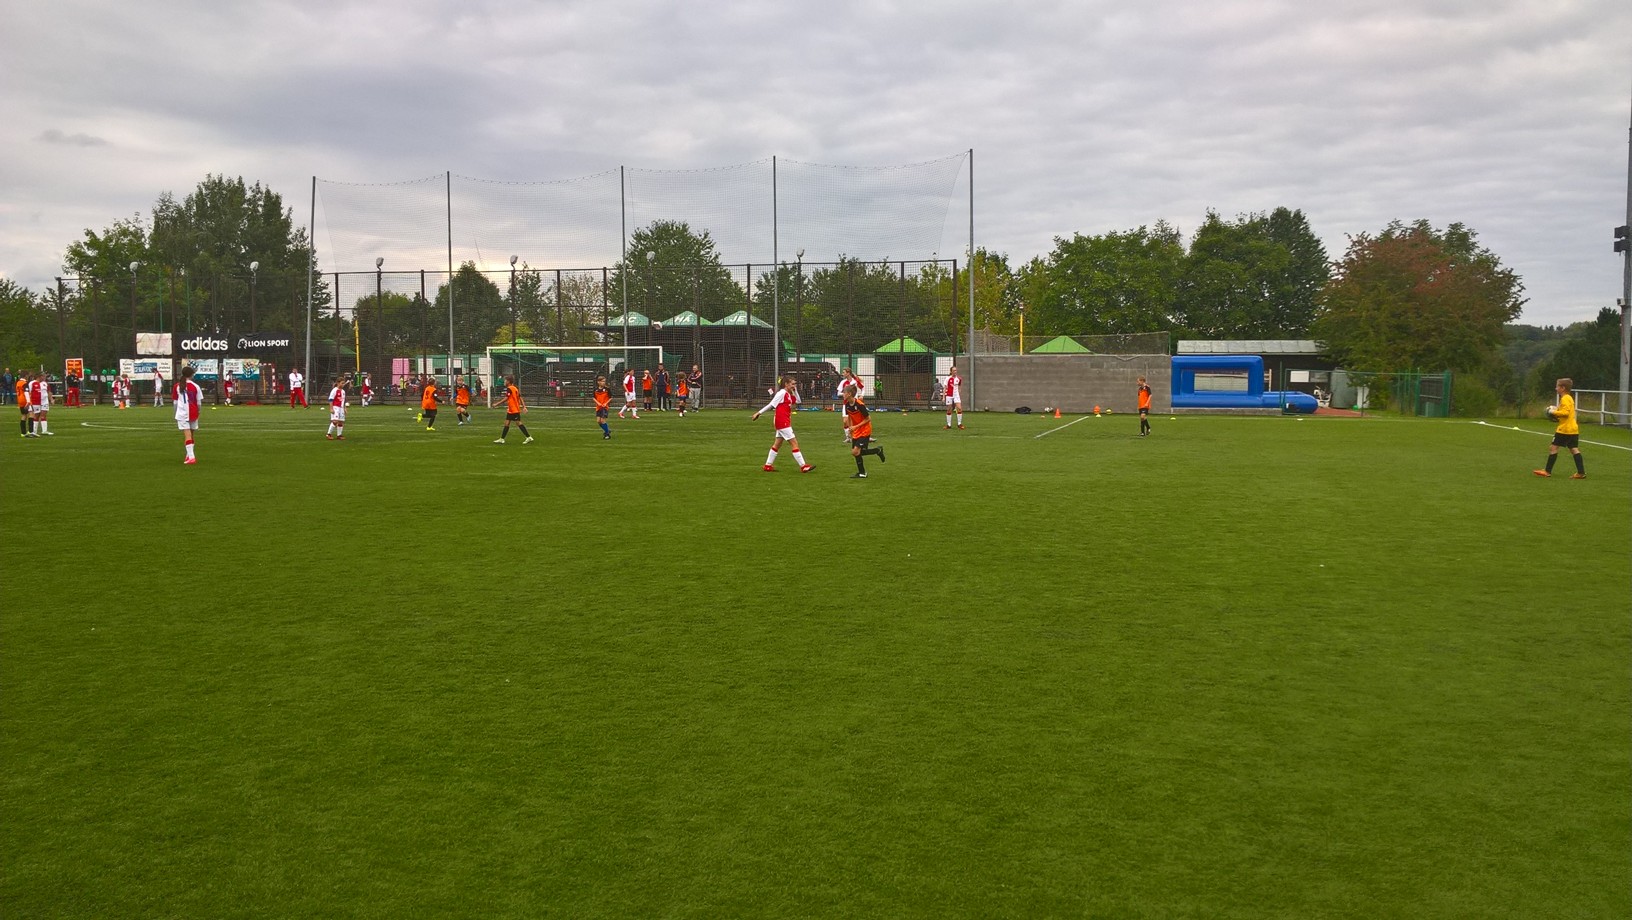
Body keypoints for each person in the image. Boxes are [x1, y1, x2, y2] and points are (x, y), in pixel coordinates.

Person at [751, 377, 812, 472]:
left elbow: (798, 401)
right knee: (794, 443)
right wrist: (758, 413)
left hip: (784, 421)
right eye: (792, 384)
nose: (794, 386)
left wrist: (795, 391)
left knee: (777, 444)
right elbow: (771, 405)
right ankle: (803, 466)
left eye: (795, 384)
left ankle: (768, 465)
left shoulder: (788, 394)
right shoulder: (781, 393)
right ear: (786, 384)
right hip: (782, 421)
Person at [1534, 377, 1586, 479]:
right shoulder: (1569, 398)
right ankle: (1581, 473)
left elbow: (1565, 413)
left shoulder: (1565, 398)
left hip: (1564, 429)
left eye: (1557, 386)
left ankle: (1547, 471)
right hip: (1573, 429)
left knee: (1553, 448)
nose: (1556, 388)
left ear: (1563, 388)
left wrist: (1553, 412)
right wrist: (1557, 414)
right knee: (1574, 449)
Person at [844, 390, 886, 479]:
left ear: (849, 394)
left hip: (865, 430)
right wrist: (851, 429)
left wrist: (855, 426)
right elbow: (850, 417)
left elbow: (868, 418)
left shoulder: (860, 405)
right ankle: (877, 451)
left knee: (855, 452)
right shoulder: (847, 405)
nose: (842, 394)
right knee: (857, 453)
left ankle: (862, 473)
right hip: (856, 431)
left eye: (844, 392)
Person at [174, 365, 202, 464]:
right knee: (191, 435)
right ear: (192, 375)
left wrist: (175, 413)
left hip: (182, 413)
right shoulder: (196, 386)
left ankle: (191, 457)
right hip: (193, 412)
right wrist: (199, 411)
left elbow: (175, 402)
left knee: (187, 434)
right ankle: (188, 455)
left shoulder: (177, 386)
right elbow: (199, 403)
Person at [493, 375, 534, 444]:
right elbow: (520, 397)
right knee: (507, 423)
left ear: (508, 381)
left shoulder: (509, 388)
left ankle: (528, 437)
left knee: (518, 423)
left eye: (505, 380)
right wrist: (524, 406)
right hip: (511, 410)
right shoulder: (515, 388)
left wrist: (497, 404)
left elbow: (506, 398)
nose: (504, 382)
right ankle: (502, 439)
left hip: (514, 409)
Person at [325, 375, 349, 440]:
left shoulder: (343, 391)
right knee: (335, 421)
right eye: (342, 383)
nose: (343, 385)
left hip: (341, 408)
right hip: (336, 407)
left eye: (344, 383)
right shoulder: (334, 390)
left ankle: (339, 435)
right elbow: (330, 399)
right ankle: (328, 434)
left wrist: (345, 408)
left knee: (341, 422)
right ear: (338, 383)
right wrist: (331, 408)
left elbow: (343, 400)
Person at [29, 372, 52, 436]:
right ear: (39, 376)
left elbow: (49, 391)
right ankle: (34, 431)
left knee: (43, 415)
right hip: (36, 401)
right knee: (36, 415)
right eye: (43, 376)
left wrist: (51, 399)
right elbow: (29, 392)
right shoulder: (32, 383)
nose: (44, 378)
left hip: (45, 401)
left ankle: (44, 430)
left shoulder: (45, 383)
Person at [943, 364, 964, 430]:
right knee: (949, 409)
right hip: (949, 395)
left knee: (959, 408)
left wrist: (959, 392)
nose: (955, 372)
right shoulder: (947, 378)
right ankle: (948, 425)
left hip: (956, 395)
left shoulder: (959, 379)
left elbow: (960, 386)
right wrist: (943, 397)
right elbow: (945, 388)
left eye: (956, 370)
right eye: (954, 370)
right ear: (951, 371)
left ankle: (959, 424)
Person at [593, 375, 613, 439]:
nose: (604, 382)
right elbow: (593, 398)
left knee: (602, 420)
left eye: (604, 381)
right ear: (598, 382)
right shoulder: (596, 389)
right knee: (598, 421)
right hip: (598, 407)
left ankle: (607, 435)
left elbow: (611, 397)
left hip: (604, 407)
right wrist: (598, 403)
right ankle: (607, 430)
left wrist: (606, 403)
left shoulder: (607, 389)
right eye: (602, 381)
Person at [15, 371, 31, 437]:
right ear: (25, 375)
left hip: (19, 399)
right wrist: (28, 401)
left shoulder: (18, 382)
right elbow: (26, 392)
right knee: (30, 414)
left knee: (24, 415)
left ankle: (23, 432)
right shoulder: (24, 383)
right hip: (24, 400)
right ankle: (28, 431)